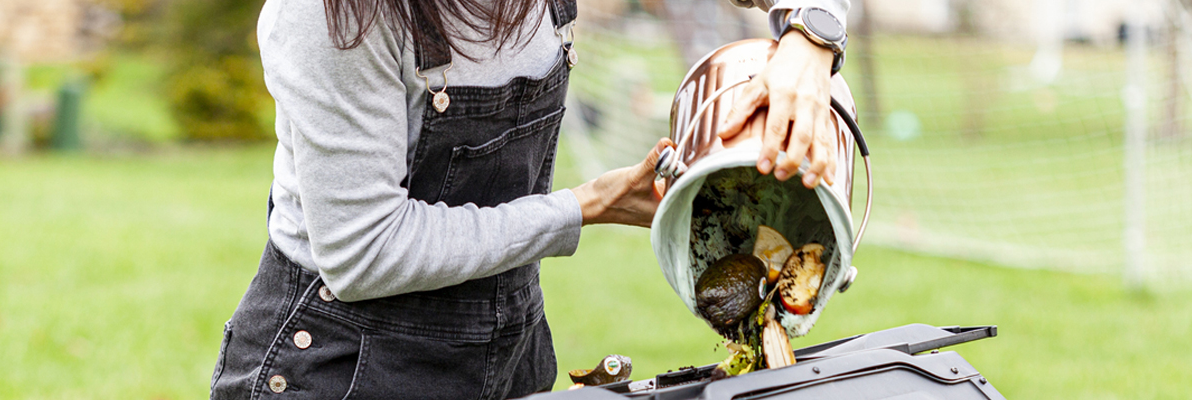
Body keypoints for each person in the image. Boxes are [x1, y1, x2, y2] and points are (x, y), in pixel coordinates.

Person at [208, 0, 850, 398]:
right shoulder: (327, 15)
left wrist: (811, 39)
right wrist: (580, 207)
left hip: (507, 349)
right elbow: (363, 253)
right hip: (345, 365)